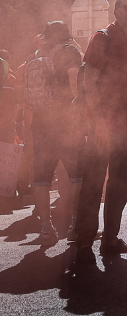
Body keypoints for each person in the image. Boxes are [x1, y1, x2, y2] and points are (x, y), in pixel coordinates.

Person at [76, 0, 127, 260]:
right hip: (102, 127)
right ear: (116, 11)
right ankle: (85, 243)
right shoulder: (102, 38)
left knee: (121, 185)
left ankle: (110, 240)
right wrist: (98, 123)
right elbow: (89, 82)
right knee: (93, 185)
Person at [25, 22, 84, 244]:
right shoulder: (69, 51)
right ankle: (75, 224)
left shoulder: (36, 56)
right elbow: (74, 82)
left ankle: (46, 228)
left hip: (40, 122)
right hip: (65, 122)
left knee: (41, 177)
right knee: (76, 175)